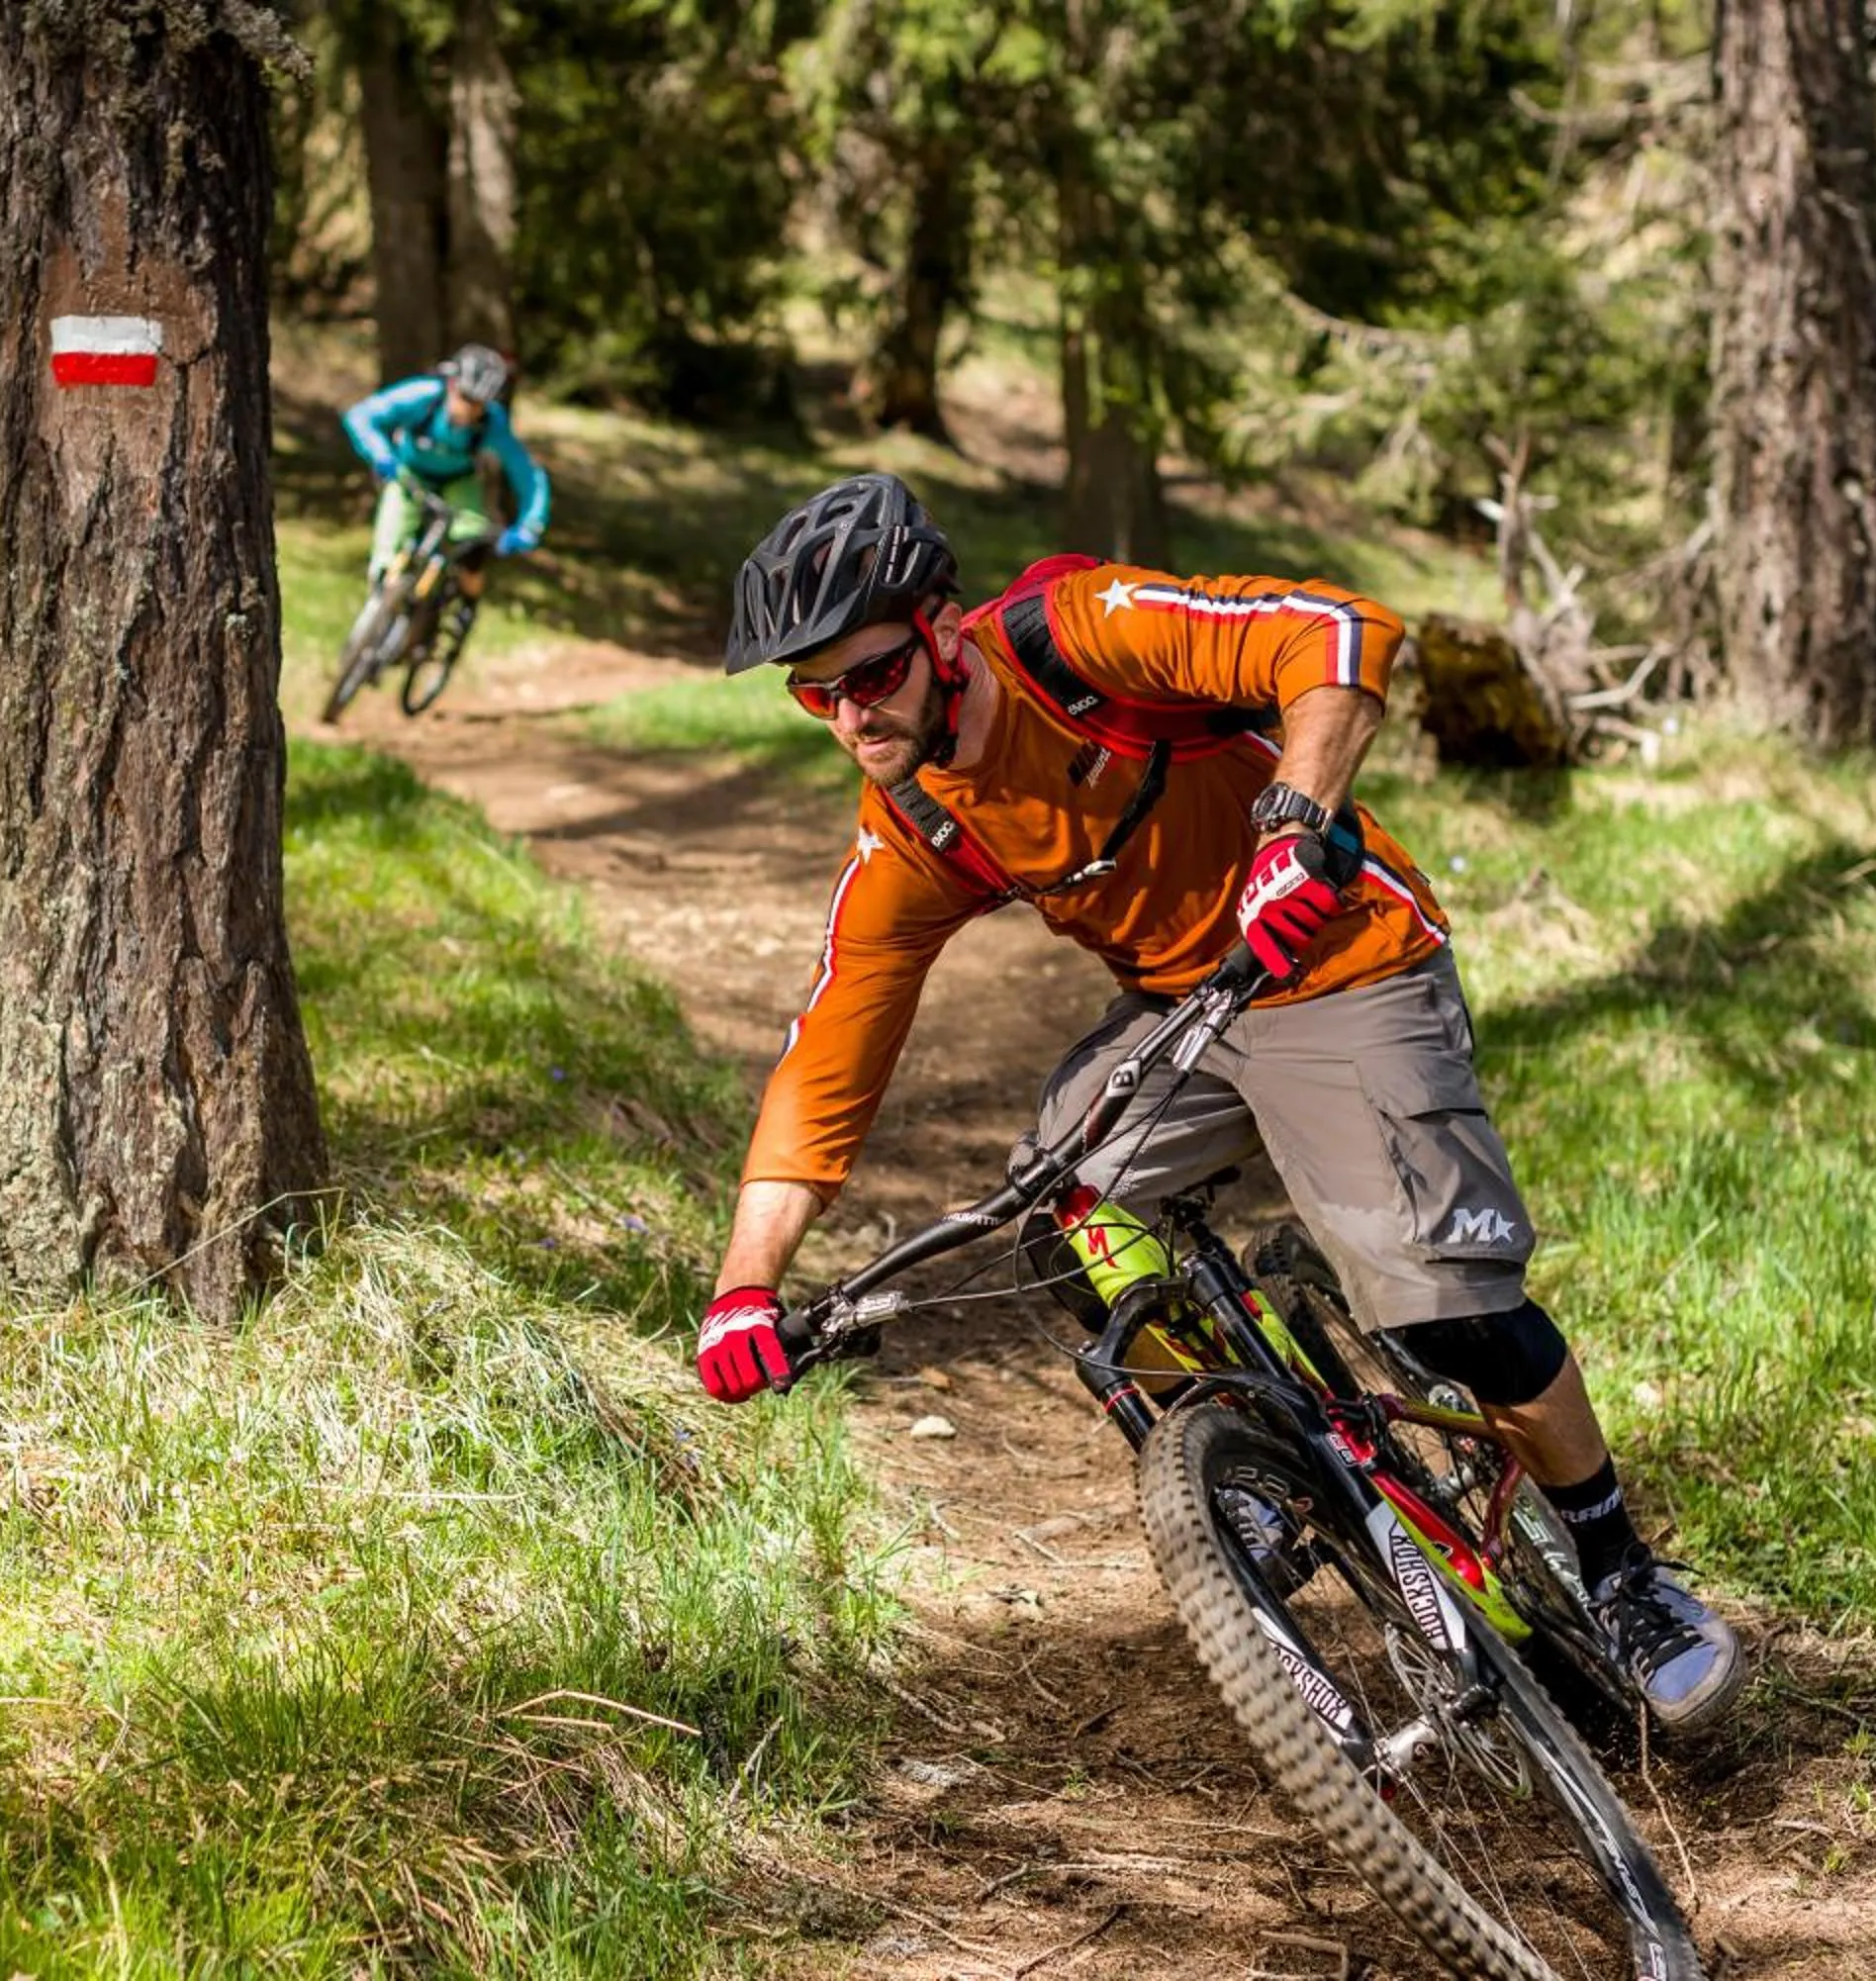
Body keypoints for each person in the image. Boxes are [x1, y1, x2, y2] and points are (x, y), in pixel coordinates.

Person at [694, 471, 1747, 1734]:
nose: (848, 715)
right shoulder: (915, 817)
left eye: (868, 675)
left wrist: (1295, 826)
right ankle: (1243, 1455)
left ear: (943, 630)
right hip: (1186, 1012)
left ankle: (1623, 1569)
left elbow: (1343, 634)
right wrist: (745, 1286)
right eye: (813, 693)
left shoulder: (1079, 636)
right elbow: (828, 1062)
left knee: (1444, 1304)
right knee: (1063, 1216)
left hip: (1337, 958)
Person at [339, 342, 551, 610]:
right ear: (451, 384)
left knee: (472, 544)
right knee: (387, 546)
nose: (469, 409)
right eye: (465, 397)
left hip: (459, 482)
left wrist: (530, 525)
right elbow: (362, 416)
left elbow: (528, 475)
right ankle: (378, 611)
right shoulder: (423, 395)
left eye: (478, 404)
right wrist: (381, 454)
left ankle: (465, 608)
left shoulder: (492, 424)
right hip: (409, 474)